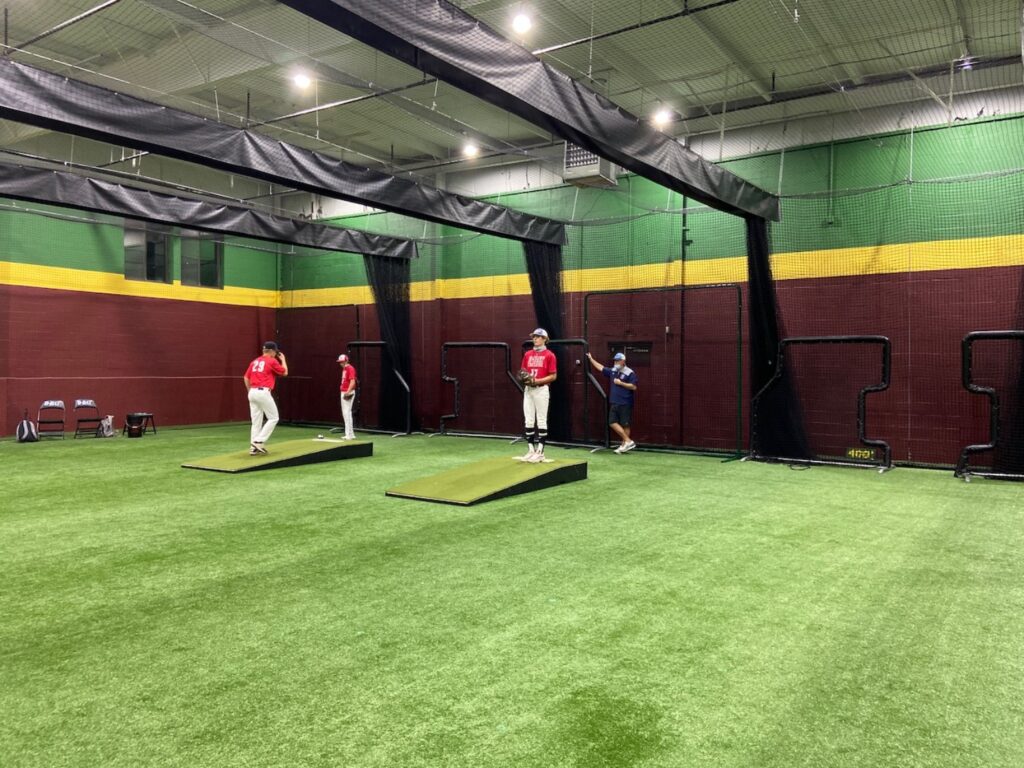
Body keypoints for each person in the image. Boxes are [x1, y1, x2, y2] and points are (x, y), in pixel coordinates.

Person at [586, 350, 638, 453]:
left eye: (618, 361)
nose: (616, 363)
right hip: (614, 402)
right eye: (615, 361)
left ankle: (624, 445)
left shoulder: (629, 372)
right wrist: (591, 359)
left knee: (625, 424)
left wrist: (621, 383)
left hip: (625, 402)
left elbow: (634, 387)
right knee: (612, 422)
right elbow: (601, 368)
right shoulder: (613, 371)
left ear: (623, 361)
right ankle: (628, 441)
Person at [518, 327, 558, 463]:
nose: (534, 338)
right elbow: (523, 371)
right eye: (533, 336)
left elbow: (553, 376)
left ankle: (540, 452)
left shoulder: (550, 355)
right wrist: (524, 377)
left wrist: (537, 381)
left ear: (544, 339)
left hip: (541, 389)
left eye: (537, 336)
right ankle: (531, 450)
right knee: (528, 419)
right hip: (529, 389)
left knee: (541, 420)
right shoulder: (528, 354)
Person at [243, 341, 288, 455]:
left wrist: (250, 391)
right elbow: (284, 372)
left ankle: (253, 448)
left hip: (252, 391)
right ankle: (259, 441)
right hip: (263, 391)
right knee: (274, 418)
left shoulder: (254, 361)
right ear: (272, 351)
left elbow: (246, 377)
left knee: (256, 422)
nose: (275, 355)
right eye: (275, 352)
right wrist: (283, 360)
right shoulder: (272, 361)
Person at [337, 353, 358, 440]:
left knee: (346, 413)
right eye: (340, 362)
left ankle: (348, 435)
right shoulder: (346, 369)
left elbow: (353, 381)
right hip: (345, 391)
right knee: (347, 413)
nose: (340, 363)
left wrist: (348, 392)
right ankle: (351, 434)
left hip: (347, 392)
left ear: (346, 361)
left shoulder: (350, 368)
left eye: (342, 362)